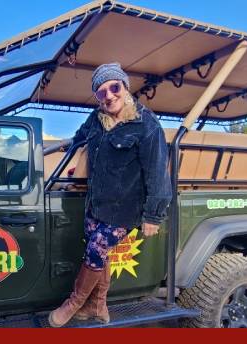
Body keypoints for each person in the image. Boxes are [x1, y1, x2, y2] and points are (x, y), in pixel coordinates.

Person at [48, 62, 172, 327]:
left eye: (114, 87)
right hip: (96, 204)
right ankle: (98, 307)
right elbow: (79, 137)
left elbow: (157, 171)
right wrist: (67, 146)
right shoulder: (96, 119)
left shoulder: (146, 124)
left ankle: (74, 303)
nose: (109, 95)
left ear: (125, 88)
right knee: (99, 254)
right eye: (101, 92)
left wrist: (153, 215)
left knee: (95, 251)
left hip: (125, 209)